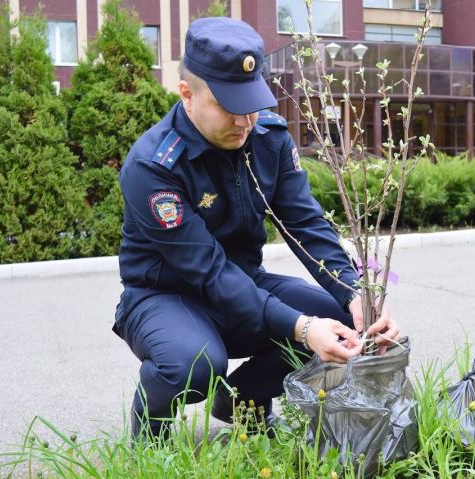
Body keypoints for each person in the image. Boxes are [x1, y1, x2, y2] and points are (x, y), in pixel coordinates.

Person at [112, 16, 400, 439]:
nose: (245, 121)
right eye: (229, 107)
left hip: (244, 285)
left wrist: (357, 295)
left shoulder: (268, 139)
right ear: (187, 95)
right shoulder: (153, 166)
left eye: (251, 104)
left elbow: (304, 224)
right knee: (195, 362)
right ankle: (150, 431)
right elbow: (207, 270)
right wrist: (302, 327)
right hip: (164, 296)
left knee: (342, 318)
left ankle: (244, 397)